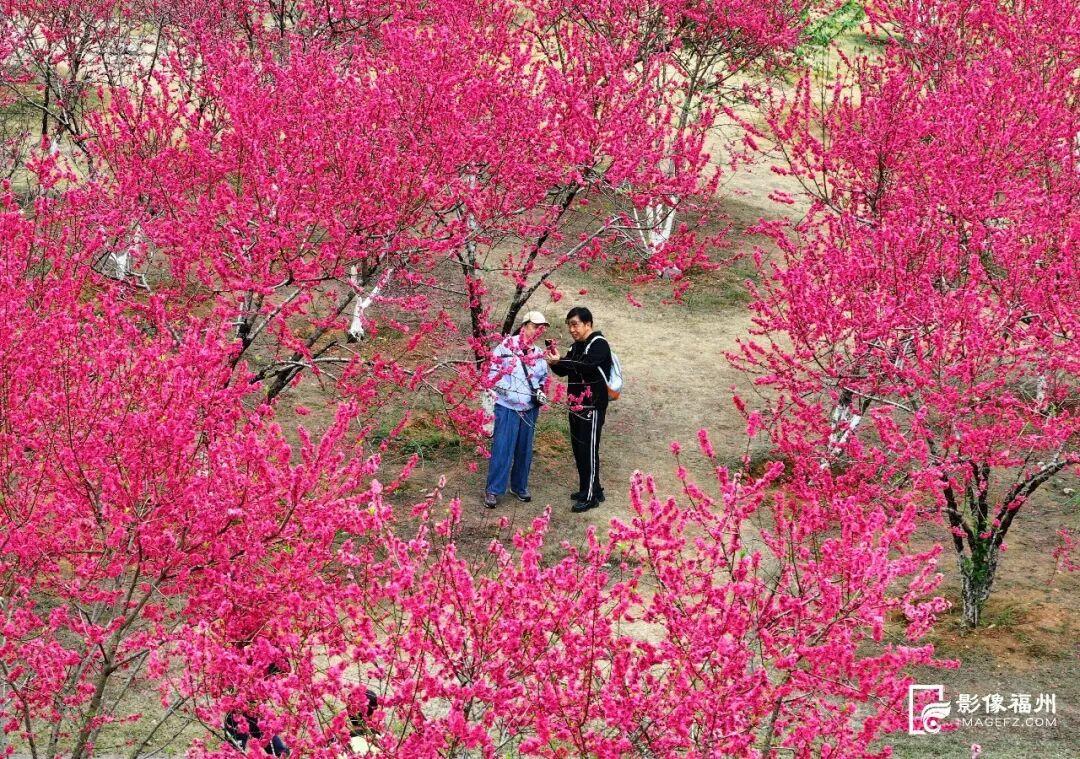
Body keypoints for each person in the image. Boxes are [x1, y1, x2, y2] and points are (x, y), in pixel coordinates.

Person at [544, 306, 613, 513]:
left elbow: (586, 365)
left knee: (589, 451)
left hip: (592, 406)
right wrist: (555, 362)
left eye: (575, 324)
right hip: (576, 406)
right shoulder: (577, 347)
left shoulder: (599, 344)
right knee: (579, 450)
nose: (572, 329)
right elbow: (565, 370)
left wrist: (563, 360)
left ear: (588, 324)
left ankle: (591, 497)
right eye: (569, 326)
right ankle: (590, 489)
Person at [483, 310, 551, 508]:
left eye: (541, 328)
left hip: (529, 408)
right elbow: (492, 376)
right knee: (503, 448)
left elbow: (542, 379)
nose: (538, 331)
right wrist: (509, 393)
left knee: (524, 449)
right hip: (507, 406)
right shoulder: (505, 348)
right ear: (524, 326)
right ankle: (494, 489)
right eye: (535, 327)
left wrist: (539, 392)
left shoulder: (538, 353)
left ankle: (520, 486)